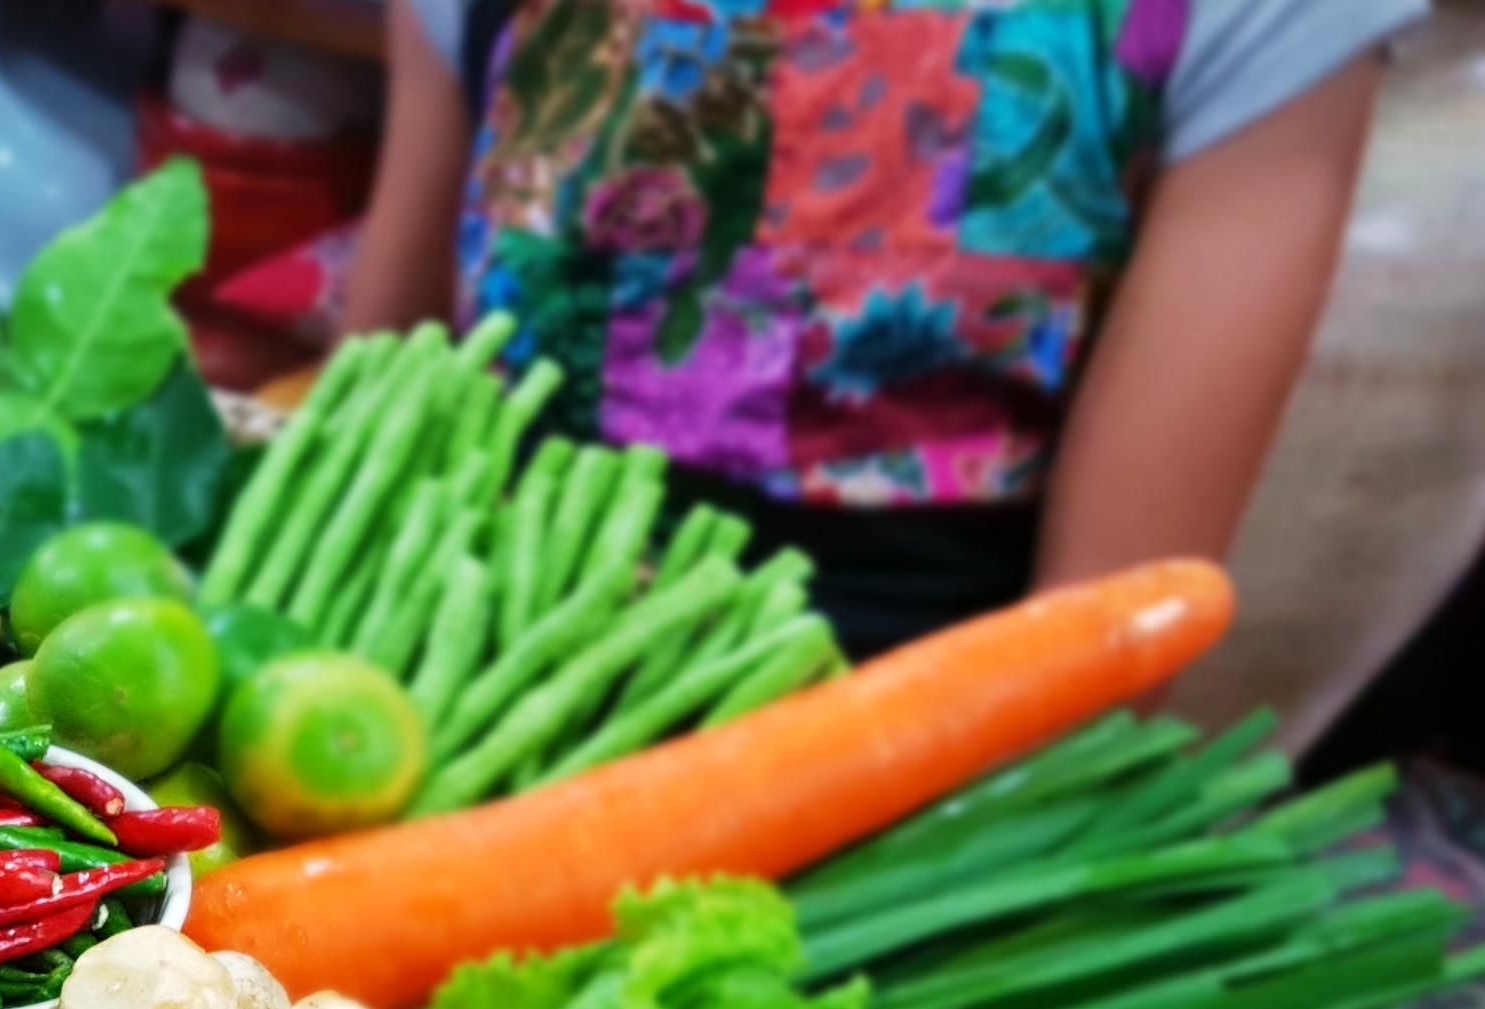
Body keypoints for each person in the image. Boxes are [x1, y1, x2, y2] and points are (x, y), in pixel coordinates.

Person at [343, 0, 1419, 654]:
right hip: (451, 677)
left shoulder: (1262, 20)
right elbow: (376, 422)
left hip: (907, 774)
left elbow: (1108, 636)